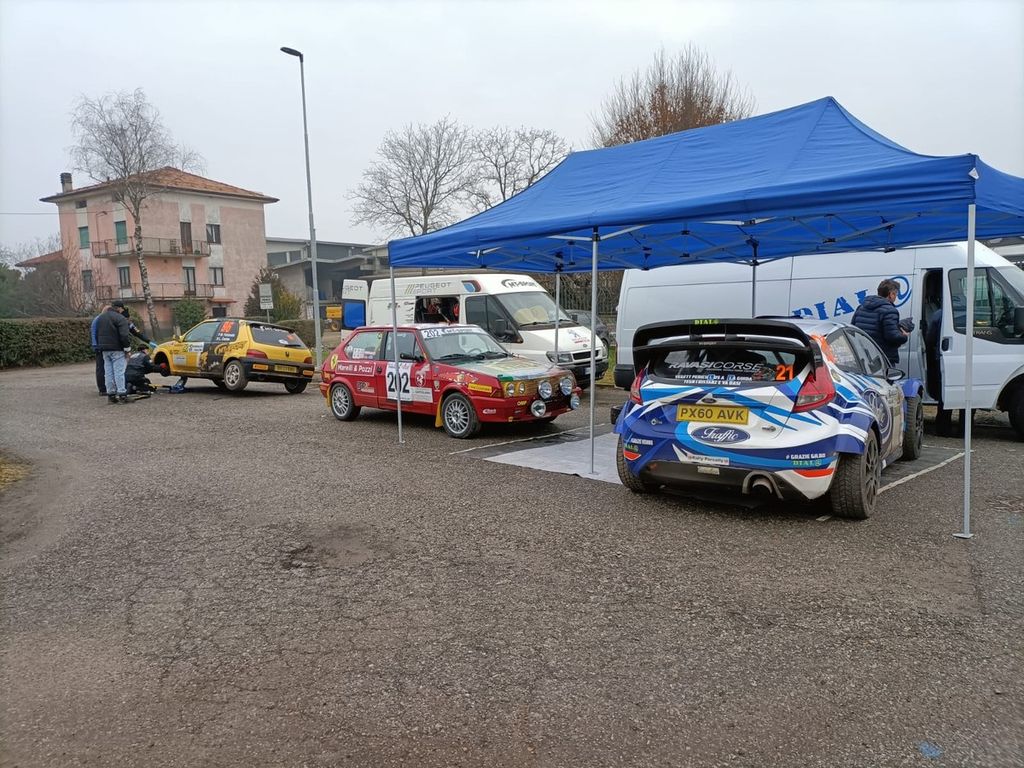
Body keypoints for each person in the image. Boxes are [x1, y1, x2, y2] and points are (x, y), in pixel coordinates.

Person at [851, 278, 910, 366]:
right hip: (882, 358)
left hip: (863, 357)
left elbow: (853, 329)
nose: (895, 297)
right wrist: (904, 336)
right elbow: (892, 337)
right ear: (891, 294)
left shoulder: (861, 307)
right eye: (895, 294)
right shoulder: (890, 310)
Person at [92, 301, 133, 403]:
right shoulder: (120, 318)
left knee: (108, 372)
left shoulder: (100, 318)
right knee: (119, 372)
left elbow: (96, 333)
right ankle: (122, 394)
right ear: (119, 308)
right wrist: (127, 349)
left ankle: (111, 395)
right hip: (117, 349)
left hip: (104, 349)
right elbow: (124, 336)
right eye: (122, 309)